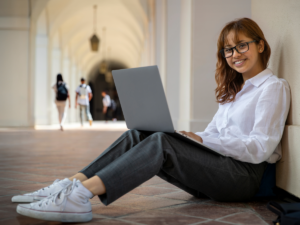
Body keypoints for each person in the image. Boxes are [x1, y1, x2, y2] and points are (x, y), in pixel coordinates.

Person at [12, 18, 290, 223]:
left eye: (242, 45)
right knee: (142, 133)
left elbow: (260, 148)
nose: (235, 54)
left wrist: (202, 140)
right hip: (223, 170)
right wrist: (192, 137)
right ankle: (71, 183)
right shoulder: (233, 93)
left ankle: (80, 197)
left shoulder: (272, 88)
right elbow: (215, 132)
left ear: (261, 45)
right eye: (228, 50)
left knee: (162, 143)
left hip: (245, 179)